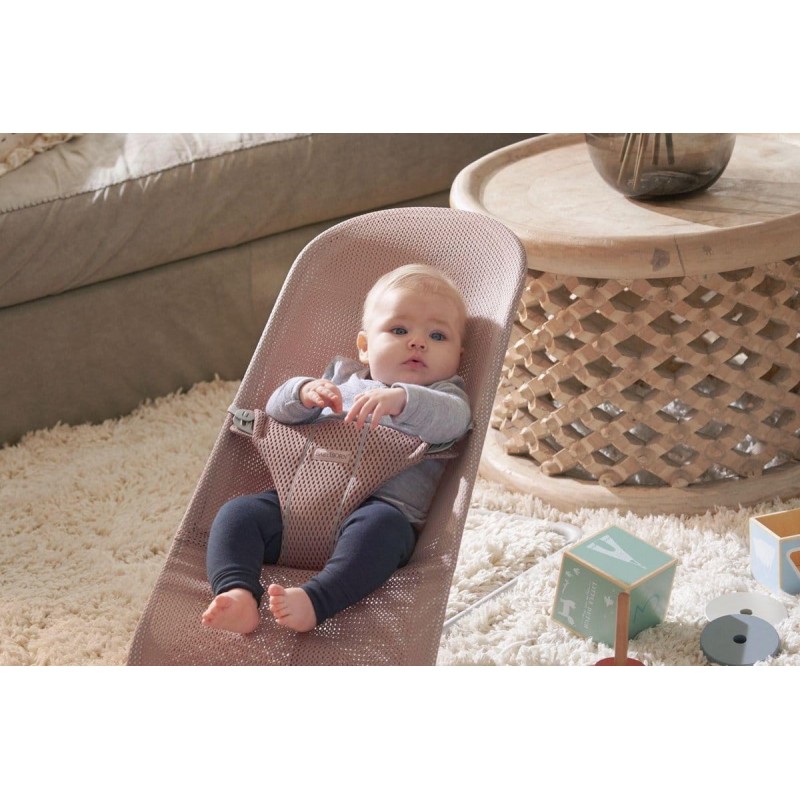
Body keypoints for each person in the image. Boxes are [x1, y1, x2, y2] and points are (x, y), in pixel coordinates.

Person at [201, 263, 472, 634]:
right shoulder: (340, 378)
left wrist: (402, 400)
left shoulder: (444, 396)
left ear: (458, 356)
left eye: (438, 336)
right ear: (364, 347)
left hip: (377, 512)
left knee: (382, 535)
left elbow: (455, 421)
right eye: (399, 330)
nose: (418, 342)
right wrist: (302, 392)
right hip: (295, 504)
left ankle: (317, 599)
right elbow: (276, 411)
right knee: (237, 514)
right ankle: (237, 593)